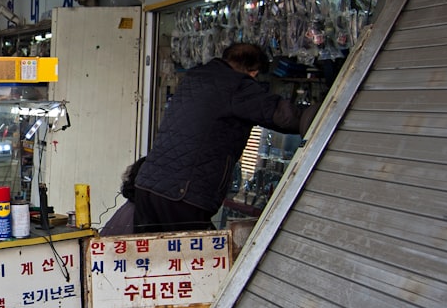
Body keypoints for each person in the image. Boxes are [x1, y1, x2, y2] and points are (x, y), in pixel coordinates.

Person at [133, 43, 319, 234]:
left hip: (148, 184)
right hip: (184, 193)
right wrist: (323, 115)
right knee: (189, 258)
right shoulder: (235, 85)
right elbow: (282, 115)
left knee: (147, 258)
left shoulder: (195, 77)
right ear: (253, 72)